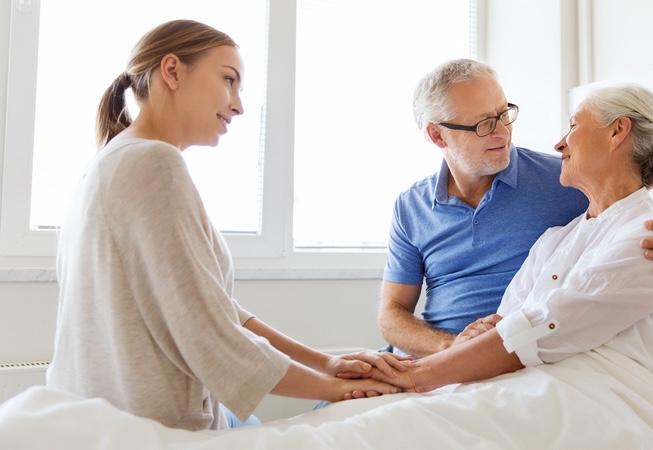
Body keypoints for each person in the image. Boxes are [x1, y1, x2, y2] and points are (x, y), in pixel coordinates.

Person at [46, 19, 402, 432]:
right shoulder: (153, 163)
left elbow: (209, 303)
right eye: (229, 80)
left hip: (93, 415)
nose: (238, 105)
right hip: (149, 426)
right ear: (173, 71)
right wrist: (334, 388)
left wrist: (326, 362)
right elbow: (207, 333)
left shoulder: (109, 160)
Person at [378, 59, 653, 358]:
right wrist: (450, 349)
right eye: (484, 124)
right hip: (434, 355)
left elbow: (635, 216)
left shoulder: (566, 179)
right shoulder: (411, 207)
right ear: (438, 136)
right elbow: (392, 316)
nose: (503, 132)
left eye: (504, 114)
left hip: (503, 357)